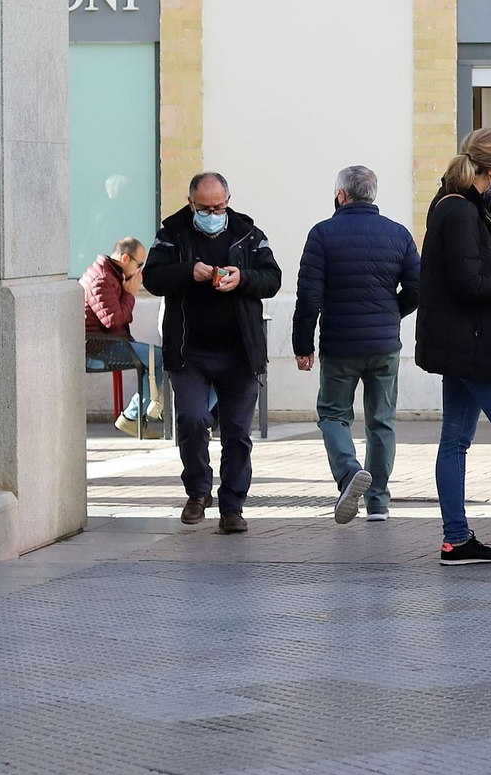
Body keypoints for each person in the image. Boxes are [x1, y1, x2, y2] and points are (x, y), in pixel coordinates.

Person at [416, 128, 491, 571]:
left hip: (457, 342)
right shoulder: (463, 211)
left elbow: (461, 273)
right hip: (473, 342)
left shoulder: (453, 203)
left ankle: (456, 540)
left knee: (456, 438)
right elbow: (469, 284)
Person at [143, 173, 284, 533]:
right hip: (190, 352)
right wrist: (188, 272)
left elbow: (273, 278)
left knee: (237, 432)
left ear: (228, 200)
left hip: (240, 352)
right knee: (192, 419)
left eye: (219, 206)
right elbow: (152, 278)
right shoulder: (171, 233)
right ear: (191, 203)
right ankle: (198, 490)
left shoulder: (248, 233)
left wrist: (243, 278)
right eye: (205, 208)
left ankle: (232, 507)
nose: (213, 213)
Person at [292, 165, 421, 524]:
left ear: (341, 195)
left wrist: (303, 345)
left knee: (334, 415)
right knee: (382, 420)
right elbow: (417, 287)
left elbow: (308, 297)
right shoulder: (398, 234)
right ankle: (378, 502)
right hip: (384, 345)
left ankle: (349, 474)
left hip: (340, 344)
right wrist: (391, 313)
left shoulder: (322, 234)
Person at [82, 237, 162, 438]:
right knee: (162, 359)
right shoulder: (101, 279)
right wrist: (130, 295)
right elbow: (113, 320)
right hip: (99, 348)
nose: (140, 271)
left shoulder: (112, 274)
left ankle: (135, 417)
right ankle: (132, 417)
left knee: (156, 358)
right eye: (139, 264)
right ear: (126, 258)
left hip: (110, 341)